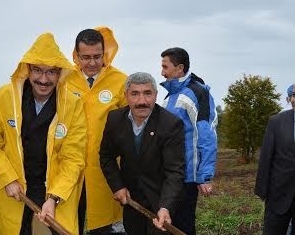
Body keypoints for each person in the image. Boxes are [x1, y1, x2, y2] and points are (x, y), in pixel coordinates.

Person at [0, 33, 87, 235]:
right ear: (27, 69)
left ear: (60, 73)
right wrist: (7, 179)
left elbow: (74, 157)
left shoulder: (72, 104)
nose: (43, 80)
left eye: (51, 72)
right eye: (38, 70)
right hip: (15, 189)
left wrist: (54, 197)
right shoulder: (5, 96)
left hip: (55, 191)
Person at [99, 72, 185, 235]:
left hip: (161, 199)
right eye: (135, 94)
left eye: (147, 93)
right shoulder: (115, 119)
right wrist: (118, 186)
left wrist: (165, 206)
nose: (142, 101)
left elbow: (174, 171)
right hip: (132, 201)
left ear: (155, 95)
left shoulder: (171, 124)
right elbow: (106, 156)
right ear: (126, 96)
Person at [66, 27, 127, 234]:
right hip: (69, 168)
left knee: (103, 227)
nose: (92, 63)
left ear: (105, 53)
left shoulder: (121, 81)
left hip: (104, 170)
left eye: (97, 57)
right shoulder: (64, 80)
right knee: (68, 223)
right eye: (85, 57)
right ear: (76, 55)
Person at [159, 47, 218, 235]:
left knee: (183, 226)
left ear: (180, 68)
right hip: (170, 175)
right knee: (168, 224)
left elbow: (206, 135)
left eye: (165, 67)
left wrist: (204, 176)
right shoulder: (170, 95)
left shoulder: (197, 92)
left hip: (187, 178)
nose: (162, 72)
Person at [255, 83, 295, 235]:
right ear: (290, 99)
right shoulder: (276, 122)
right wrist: (262, 190)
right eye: (293, 95)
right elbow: (266, 157)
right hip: (278, 194)